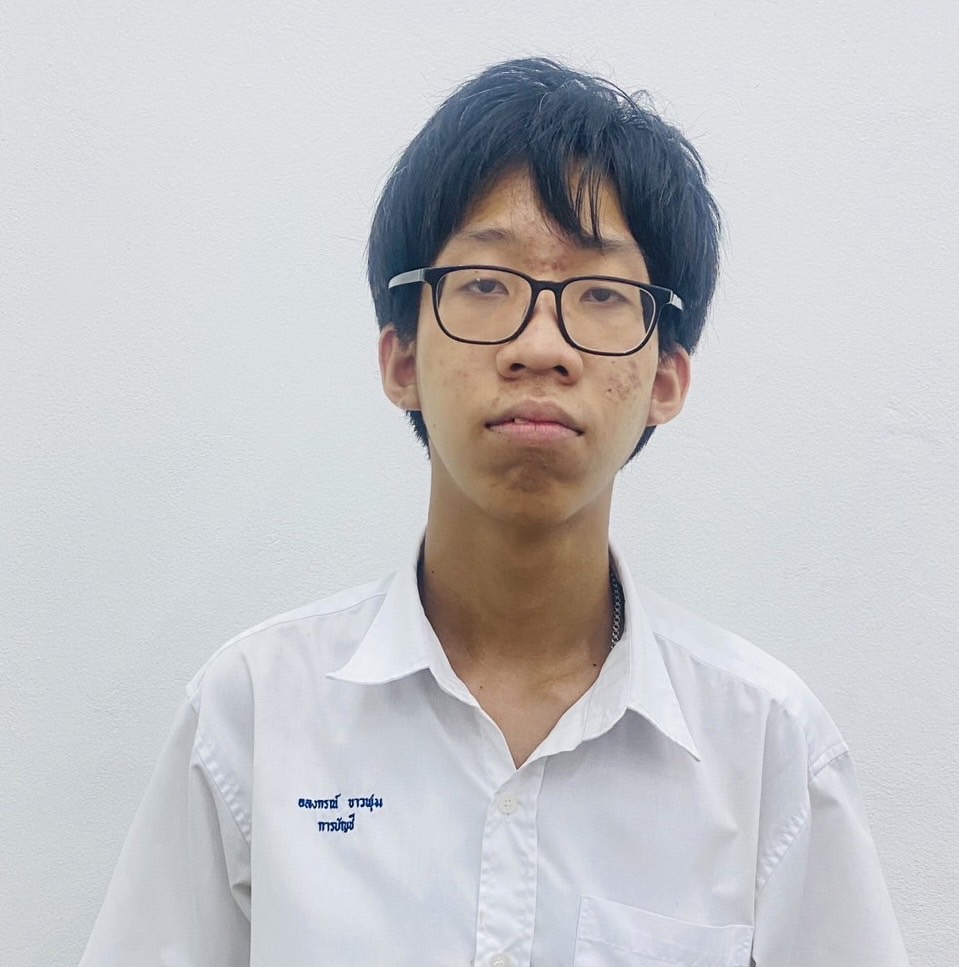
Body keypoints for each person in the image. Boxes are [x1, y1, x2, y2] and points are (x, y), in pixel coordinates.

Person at [80, 57, 910, 966]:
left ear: (666, 379)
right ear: (401, 358)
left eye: (601, 295)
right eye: (485, 284)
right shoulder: (254, 712)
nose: (540, 346)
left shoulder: (764, 745)